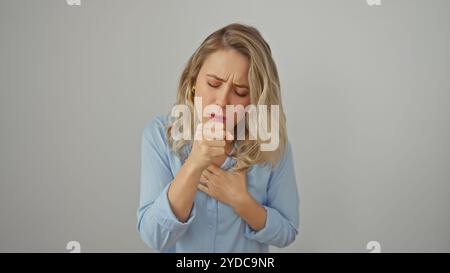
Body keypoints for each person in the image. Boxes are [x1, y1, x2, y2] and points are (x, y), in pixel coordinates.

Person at [137, 23, 299, 252]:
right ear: (193, 82)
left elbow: (287, 232)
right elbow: (154, 237)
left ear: (254, 100)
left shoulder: (272, 147)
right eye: (213, 84)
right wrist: (193, 164)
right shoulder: (161, 135)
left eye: (241, 92)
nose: (222, 102)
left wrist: (242, 202)